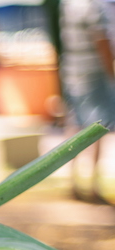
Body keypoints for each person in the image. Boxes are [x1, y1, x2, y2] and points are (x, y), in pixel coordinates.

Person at [59, 0, 115, 203]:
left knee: (75, 125)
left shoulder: (69, 4)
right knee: (100, 126)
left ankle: (72, 181)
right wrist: (112, 73)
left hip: (72, 72)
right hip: (94, 74)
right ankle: (93, 184)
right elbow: (101, 40)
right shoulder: (93, 6)